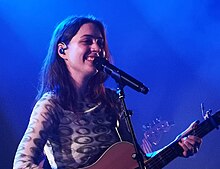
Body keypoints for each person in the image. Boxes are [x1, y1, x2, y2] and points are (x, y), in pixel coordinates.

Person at [13, 15, 202, 169]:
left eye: (100, 43)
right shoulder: (52, 104)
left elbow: (138, 161)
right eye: (87, 41)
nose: (97, 48)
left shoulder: (111, 99)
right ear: (62, 50)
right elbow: (21, 163)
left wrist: (176, 147)